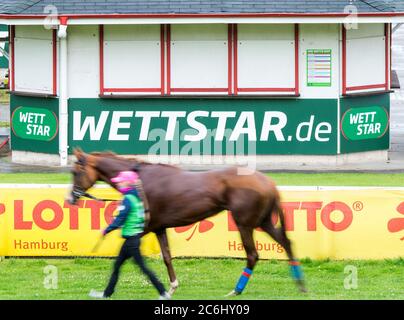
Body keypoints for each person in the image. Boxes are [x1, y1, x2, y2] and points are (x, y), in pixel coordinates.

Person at [89, 171, 171, 300]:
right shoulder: (135, 198)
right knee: (118, 266)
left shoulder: (128, 199)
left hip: (131, 242)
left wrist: (106, 230)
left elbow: (120, 219)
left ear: (128, 182)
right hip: (133, 240)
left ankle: (163, 293)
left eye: (121, 181)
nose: (118, 183)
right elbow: (135, 218)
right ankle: (106, 294)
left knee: (142, 268)